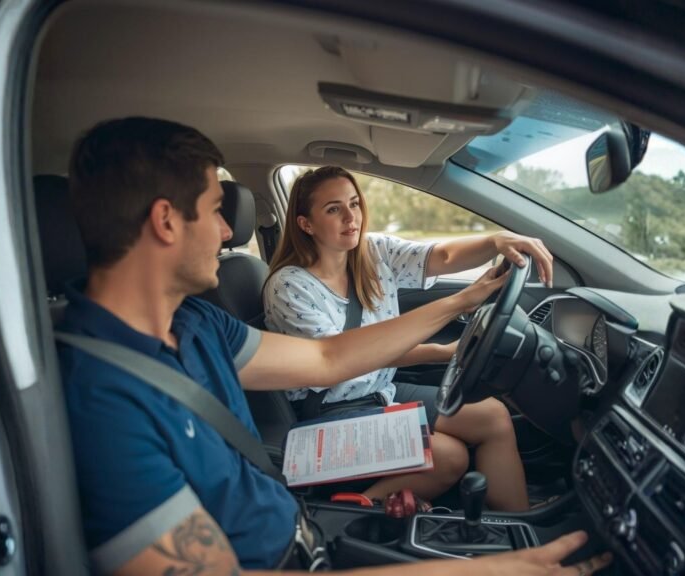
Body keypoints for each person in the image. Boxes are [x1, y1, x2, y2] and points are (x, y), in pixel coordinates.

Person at [57, 116, 610, 575]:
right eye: (213, 210)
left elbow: (328, 358)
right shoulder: (101, 400)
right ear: (165, 222)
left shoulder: (199, 324)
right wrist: (482, 570)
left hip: (303, 532)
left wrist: (459, 303)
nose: (228, 233)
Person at [263, 166, 553, 512]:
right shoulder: (289, 287)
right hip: (325, 417)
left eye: (354, 204)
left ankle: (515, 523)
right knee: (448, 456)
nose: (350, 217)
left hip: (380, 394)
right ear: (306, 224)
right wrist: (461, 303)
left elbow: (441, 257)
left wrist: (496, 241)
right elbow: (342, 361)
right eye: (333, 209)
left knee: (491, 414)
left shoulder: (373, 253)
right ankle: (355, 508)